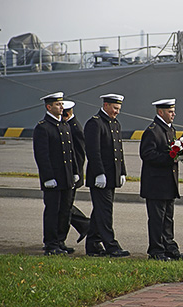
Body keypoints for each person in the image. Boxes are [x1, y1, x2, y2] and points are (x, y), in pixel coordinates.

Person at [140, 99, 183, 261]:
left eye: (173, 111)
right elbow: (147, 154)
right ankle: (156, 250)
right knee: (157, 219)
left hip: (168, 183)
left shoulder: (169, 129)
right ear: (160, 112)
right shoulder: (153, 131)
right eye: (170, 111)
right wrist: (171, 157)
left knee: (168, 218)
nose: (173, 114)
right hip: (155, 184)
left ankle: (169, 246)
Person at [33, 92, 79, 255]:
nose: (62, 107)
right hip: (53, 178)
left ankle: (60, 240)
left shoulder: (64, 126)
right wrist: (48, 177)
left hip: (66, 177)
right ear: (49, 107)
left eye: (61, 104)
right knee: (53, 210)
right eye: (58, 105)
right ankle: (51, 243)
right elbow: (42, 155)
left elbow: (71, 152)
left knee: (65, 210)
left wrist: (75, 172)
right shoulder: (43, 127)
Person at [84, 93, 129, 258]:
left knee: (99, 212)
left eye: (119, 109)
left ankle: (93, 245)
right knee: (105, 212)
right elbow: (93, 152)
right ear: (106, 106)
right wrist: (99, 173)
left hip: (112, 176)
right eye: (115, 108)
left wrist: (122, 171)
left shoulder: (115, 123)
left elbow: (119, 151)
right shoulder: (95, 123)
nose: (117, 111)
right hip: (100, 178)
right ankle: (111, 246)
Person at [62, 100, 90, 244]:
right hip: (68, 174)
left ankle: (86, 225)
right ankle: (85, 225)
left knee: (64, 206)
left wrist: (76, 174)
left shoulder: (75, 128)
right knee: (64, 206)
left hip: (72, 174)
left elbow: (79, 155)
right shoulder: (69, 125)